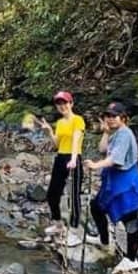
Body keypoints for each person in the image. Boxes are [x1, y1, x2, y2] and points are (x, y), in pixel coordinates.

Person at [84, 102, 138, 274]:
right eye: (108, 116)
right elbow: (102, 149)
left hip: (125, 183)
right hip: (114, 181)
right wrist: (105, 132)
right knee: (97, 206)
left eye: (114, 116)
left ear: (123, 117)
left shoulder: (125, 134)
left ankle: (131, 259)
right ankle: (104, 240)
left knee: (129, 220)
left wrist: (96, 165)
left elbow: (115, 159)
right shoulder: (116, 133)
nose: (110, 119)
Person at [38, 91, 85, 237]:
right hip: (60, 157)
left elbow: (77, 138)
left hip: (74, 158)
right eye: (59, 103)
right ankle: (58, 224)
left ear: (71, 104)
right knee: (52, 193)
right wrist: (49, 132)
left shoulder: (78, 120)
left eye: (64, 103)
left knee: (74, 196)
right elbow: (57, 144)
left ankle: (74, 231)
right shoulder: (60, 123)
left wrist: (73, 158)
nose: (62, 106)